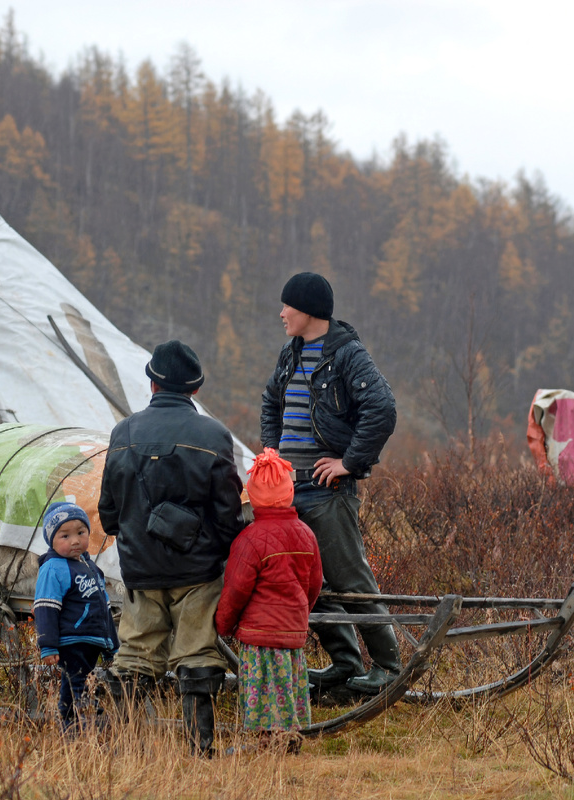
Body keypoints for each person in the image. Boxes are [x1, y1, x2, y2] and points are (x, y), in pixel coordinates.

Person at [98, 339, 245, 756]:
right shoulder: (214, 435)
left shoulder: (122, 432)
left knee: (135, 655)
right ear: (194, 390)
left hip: (141, 571)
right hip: (197, 572)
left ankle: (122, 746)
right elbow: (228, 514)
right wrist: (218, 553)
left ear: (151, 384)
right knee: (197, 653)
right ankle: (200, 748)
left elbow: (108, 512)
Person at [260, 272, 400, 702]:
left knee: (351, 581)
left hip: (327, 493)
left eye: (287, 306)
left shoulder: (348, 355)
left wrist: (350, 464)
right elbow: (271, 401)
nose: (281, 313)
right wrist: (271, 453)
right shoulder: (291, 352)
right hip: (289, 492)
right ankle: (345, 664)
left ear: (308, 311)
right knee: (309, 583)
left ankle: (390, 669)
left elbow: (382, 408)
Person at [216, 448, 322, 754]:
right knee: (287, 687)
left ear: (252, 495)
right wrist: (301, 613)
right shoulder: (306, 534)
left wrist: (224, 624)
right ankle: (287, 739)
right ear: (289, 492)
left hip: (260, 634)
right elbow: (313, 584)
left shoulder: (249, 539)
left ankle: (268, 742)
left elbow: (236, 589)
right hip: (291, 630)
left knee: (262, 689)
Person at [33, 501, 119, 732]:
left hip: (92, 638)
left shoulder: (91, 568)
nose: (74, 540)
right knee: (75, 679)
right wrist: (48, 645)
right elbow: (46, 607)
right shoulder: (53, 568)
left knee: (85, 679)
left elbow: (104, 608)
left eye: (81, 533)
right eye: (65, 535)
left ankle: (86, 716)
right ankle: (69, 722)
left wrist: (112, 644)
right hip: (71, 638)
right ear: (51, 540)